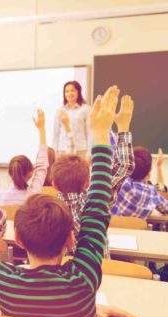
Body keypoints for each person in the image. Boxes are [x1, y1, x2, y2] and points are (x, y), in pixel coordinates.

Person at [0, 85, 117, 317]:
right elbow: (96, 210)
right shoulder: (83, 283)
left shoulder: (3, 279)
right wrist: (101, 135)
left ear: (17, 238)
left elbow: (96, 210)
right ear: (71, 240)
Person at [51, 94, 135, 257]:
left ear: (53, 183)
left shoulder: (48, 210)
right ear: (87, 183)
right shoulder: (96, 201)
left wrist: (68, 129)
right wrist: (123, 126)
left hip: (63, 277)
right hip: (98, 275)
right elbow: (124, 166)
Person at [0, 109, 48, 206]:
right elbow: (42, 165)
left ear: (10, 173)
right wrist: (42, 129)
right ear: (31, 173)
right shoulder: (33, 195)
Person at [112, 146, 168, 219]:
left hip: (111, 228)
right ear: (149, 171)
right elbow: (167, 205)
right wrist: (159, 167)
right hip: (135, 230)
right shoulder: (152, 192)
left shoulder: (118, 182)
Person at [53, 81, 92, 157]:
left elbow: (89, 132)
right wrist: (55, 152)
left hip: (80, 150)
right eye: (67, 91)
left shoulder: (86, 109)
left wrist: (89, 154)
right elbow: (56, 133)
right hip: (62, 150)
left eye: (72, 90)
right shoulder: (60, 110)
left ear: (78, 92)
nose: (69, 93)